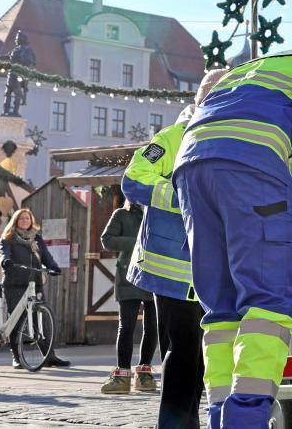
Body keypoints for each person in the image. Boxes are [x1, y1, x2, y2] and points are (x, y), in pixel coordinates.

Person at [173, 38, 292, 428]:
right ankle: (246, 420)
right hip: (250, 165)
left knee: (222, 308)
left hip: (192, 168)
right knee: (268, 301)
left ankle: (220, 415)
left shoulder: (252, 72)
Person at [123, 69, 225, 428]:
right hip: (170, 269)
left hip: (207, 271)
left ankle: (188, 422)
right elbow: (133, 180)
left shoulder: (224, 141)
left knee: (200, 355)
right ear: (202, 99)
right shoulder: (171, 138)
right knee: (182, 352)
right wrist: (182, 196)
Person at [0, 209, 71, 369]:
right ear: (16, 221)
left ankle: (49, 357)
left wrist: (53, 267)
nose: (24, 220)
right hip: (15, 283)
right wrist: (5, 261)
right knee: (16, 320)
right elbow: (3, 252)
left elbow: (46, 256)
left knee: (41, 320)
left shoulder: (36, 239)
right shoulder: (8, 238)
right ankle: (16, 357)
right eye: (21, 218)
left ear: (31, 221)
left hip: (34, 283)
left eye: (27, 218)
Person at [100, 191, 158, 394]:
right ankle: (122, 375)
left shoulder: (157, 214)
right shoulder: (121, 214)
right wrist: (137, 242)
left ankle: (144, 374)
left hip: (154, 275)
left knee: (152, 327)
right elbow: (106, 239)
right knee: (127, 326)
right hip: (129, 276)